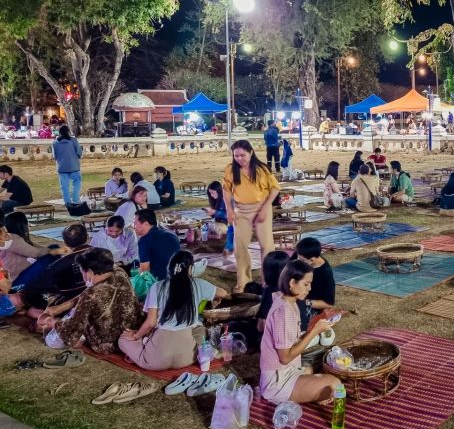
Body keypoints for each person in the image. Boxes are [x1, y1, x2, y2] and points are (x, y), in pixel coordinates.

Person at [119, 251, 226, 371]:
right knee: (200, 330)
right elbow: (223, 293)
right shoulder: (198, 284)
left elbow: (150, 323)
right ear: (191, 268)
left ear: (169, 267)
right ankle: (205, 353)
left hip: (155, 361)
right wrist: (214, 297)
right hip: (187, 358)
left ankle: (140, 348)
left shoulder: (157, 287)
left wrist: (135, 336)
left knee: (122, 340)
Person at [258, 259, 341, 405]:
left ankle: (311, 392)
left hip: (288, 370)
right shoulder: (283, 312)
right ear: (292, 283)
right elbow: (285, 358)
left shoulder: (287, 301)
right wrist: (315, 332)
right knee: (335, 384)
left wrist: (313, 330)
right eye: (306, 284)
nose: (309, 289)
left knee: (312, 369)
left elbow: (289, 339)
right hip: (278, 380)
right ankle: (287, 395)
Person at [44, 248, 142, 353]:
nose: (83, 276)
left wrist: (49, 321)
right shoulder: (120, 272)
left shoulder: (90, 295)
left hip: (108, 343)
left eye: (82, 272)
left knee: (52, 340)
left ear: (90, 272)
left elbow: (70, 331)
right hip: (131, 330)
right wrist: (66, 305)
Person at [0, 224, 91, 320]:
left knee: (30, 306)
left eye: (6, 231)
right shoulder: (103, 254)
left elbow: (37, 288)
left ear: (64, 242)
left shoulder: (58, 266)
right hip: (87, 295)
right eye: (3, 233)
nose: (7, 235)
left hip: (68, 299)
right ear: (87, 237)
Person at [223, 140, 279, 293]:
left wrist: (266, 207)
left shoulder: (262, 169)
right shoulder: (230, 169)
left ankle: (268, 281)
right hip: (241, 210)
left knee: (267, 246)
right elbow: (226, 190)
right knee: (239, 246)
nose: (239, 159)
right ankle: (243, 282)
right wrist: (229, 209)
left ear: (251, 153)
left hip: (262, 208)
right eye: (236, 156)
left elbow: (274, 189)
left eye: (243, 155)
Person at [1, 211, 53, 283]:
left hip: (12, 279)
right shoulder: (16, 241)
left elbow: (35, 248)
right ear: (23, 225)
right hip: (18, 280)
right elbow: (36, 253)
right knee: (51, 254)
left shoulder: (10, 238)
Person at [134, 209, 181, 281]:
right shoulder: (171, 234)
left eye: (136, 223)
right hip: (178, 277)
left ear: (146, 223)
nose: (134, 226)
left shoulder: (144, 240)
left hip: (160, 282)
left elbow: (144, 271)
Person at [294, 237, 335, 312]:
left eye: (301, 260)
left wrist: (304, 302)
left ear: (312, 260)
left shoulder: (325, 273)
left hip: (309, 306)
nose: (297, 261)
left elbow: (328, 304)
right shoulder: (301, 254)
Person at [52, 125, 83, 207]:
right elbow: (79, 152)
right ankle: (76, 199)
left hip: (61, 167)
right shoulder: (73, 140)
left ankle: (67, 202)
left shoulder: (55, 142)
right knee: (77, 183)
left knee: (64, 186)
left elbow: (54, 156)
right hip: (74, 166)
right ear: (68, 131)